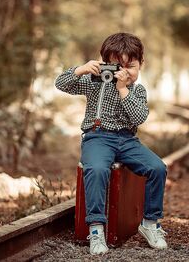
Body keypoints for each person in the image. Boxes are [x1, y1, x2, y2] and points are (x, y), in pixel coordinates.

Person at [55, 32, 168, 255]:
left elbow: (139, 118)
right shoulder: (94, 84)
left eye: (131, 66)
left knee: (157, 168)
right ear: (106, 64)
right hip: (97, 138)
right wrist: (81, 69)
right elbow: (61, 84)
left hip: (127, 140)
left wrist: (123, 89)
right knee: (96, 170)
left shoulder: (137, 90)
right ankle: (96, 229)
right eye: (117, 66)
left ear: (140, 65)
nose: (124, 72)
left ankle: (150, 224)